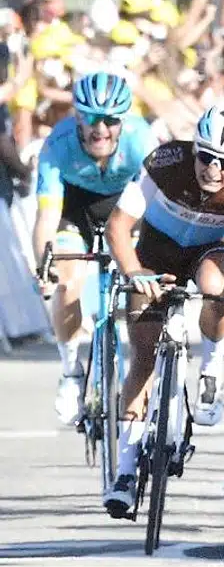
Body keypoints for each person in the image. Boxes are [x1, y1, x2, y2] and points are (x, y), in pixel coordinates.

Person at [102, 101, 224, 516]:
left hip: (209, 252)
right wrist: (134, 271)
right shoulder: (166, 163)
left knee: (218, 285)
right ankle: (125, 469)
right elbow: (119, 226)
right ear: (194, 148)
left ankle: (211, 368)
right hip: (155, 256)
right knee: (142, 358)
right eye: (206, 156)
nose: (213, 169)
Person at [32, 72, 153, 424]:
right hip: (75, 210)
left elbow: (156, 207)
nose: (101, 129)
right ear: (77, 117)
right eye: (90, 118)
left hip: (126, 209)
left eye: (111, 120)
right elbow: (46, 217)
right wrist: (46, 264)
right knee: (67, 281)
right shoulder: (58, 144)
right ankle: (71, 369)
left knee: (141, 283)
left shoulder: (142, 140)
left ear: (124, 120)